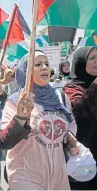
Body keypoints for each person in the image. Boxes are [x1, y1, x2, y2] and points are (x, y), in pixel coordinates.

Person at [4, 51, 78, 190]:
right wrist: (20, 117)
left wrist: (70, 135)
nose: (44, 67)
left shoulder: (60, 97)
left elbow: (71, 123)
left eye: (46, 64)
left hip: (58, 177)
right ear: (25, 71)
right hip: (25, 176)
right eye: (37, 64)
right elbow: (6, 138)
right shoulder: (15, 101)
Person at [63, 47, 97, 189]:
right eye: (92, 58)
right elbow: (80, 113)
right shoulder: (71, 89)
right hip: (83, 158)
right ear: (81, 63)